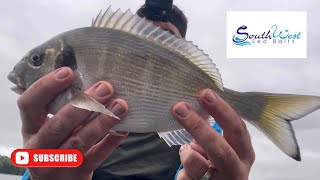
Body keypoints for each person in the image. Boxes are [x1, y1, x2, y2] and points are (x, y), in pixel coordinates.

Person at [19, 3, 255, 180]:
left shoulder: (204, 138)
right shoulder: (76, 124)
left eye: (165, 39)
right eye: (141, 41)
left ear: (183, 53)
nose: (147, 52)